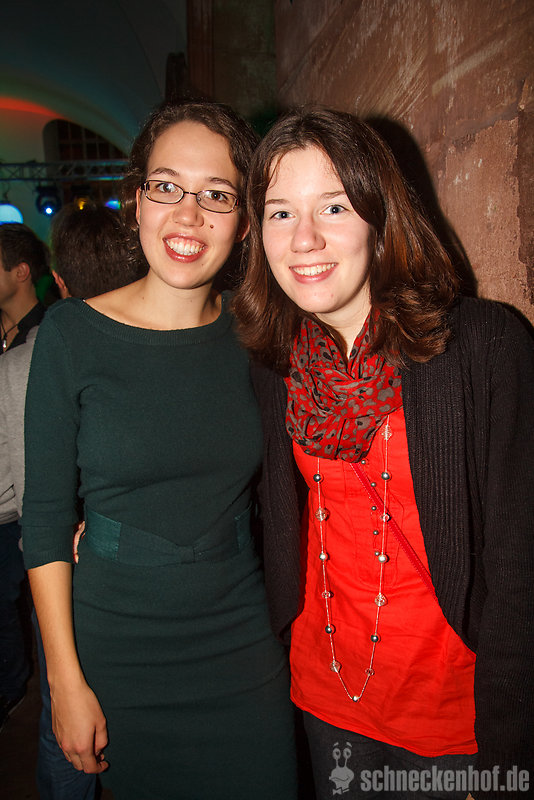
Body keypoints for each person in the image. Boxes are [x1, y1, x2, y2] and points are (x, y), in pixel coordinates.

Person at [233, 107, 534, 800]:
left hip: (453, 719)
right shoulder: (273, 363)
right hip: (326, 700)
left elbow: (519, 562)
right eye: (280, 213)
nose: (303, 238)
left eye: (334, 206)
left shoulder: (482, 346)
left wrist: (510, 749)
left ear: (380, 214)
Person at [21, 101, 297, 800]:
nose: (188, 216)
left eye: (217, 195)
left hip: (241, 635)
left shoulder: (260, 335)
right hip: (119, 643)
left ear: (244, 222)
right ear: (137, 199)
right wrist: (65, 682)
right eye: (167, 186)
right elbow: (45, 522)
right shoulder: (71, 334)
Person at [0, 223, 49, 732]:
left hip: (24, 510)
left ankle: (14, 689)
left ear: (20, 272)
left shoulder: (48, 336)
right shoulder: (8, 334)